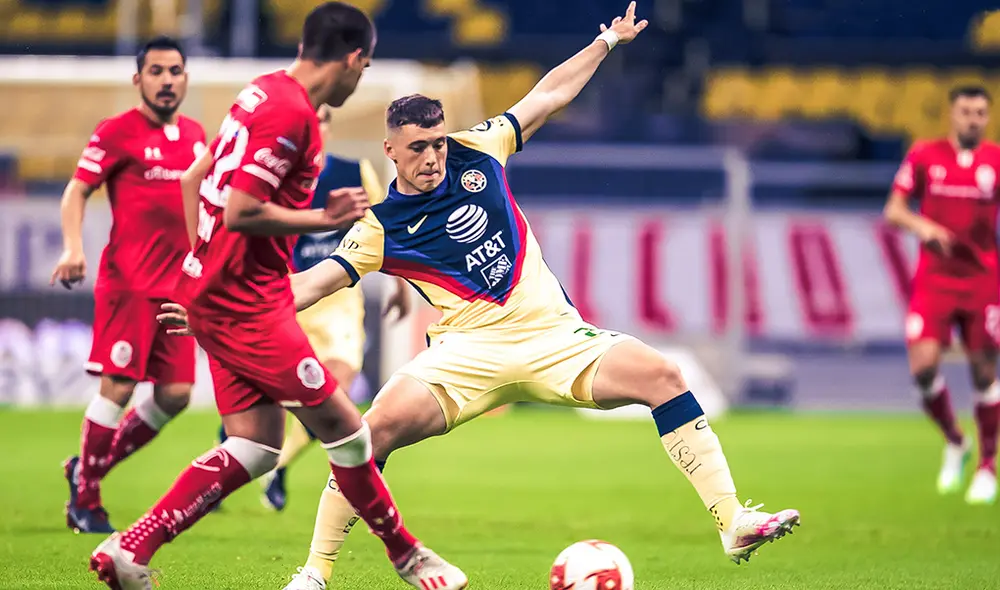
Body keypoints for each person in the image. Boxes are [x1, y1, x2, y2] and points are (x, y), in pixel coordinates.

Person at [163, 5, 799, 589]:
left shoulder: (480, 148)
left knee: (663, 373)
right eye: (418, 148)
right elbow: (310, 283)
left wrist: (605, 41)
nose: (434, 157)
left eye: (439, 143)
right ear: (390, 151)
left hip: (554, 338)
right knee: (367, 432)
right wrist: (223, 308)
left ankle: (732, 522)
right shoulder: (379, 227)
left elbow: (546, 95)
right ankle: (315, 572)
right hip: (465, 355)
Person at [89, 4, 466, 590]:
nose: (359, 79)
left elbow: (196, 181)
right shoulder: (293, 116)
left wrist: (199, 269)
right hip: (250, 304)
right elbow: (240, 212)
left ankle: (132, 547)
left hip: (217, 297)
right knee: (350, 431)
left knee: (257, 445)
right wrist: (322, 216)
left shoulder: (258, 94)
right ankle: (409, 557)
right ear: (351, 59)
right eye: (362, 68)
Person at [217, 105, 412, 513]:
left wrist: (399, 282)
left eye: (321, 119)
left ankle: (279, 467)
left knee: (335, 393)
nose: (314, 126)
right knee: (275, 399)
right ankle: (232, 456)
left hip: (339, 304)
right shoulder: (268, 180)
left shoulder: (353, 171)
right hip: (286, 300)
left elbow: (384, 225)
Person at [52, 35, 205, 534]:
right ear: (138, 79)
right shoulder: (117, 132)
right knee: (117, 388)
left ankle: (85, 471)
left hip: (177, 291)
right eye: (156, 71)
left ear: (185, 77)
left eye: (175, 71)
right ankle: (86, 501)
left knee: (177, 394)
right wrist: (73, 246)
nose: (167, 80)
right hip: (130, 284)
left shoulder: (199, 136)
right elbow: (77, 190)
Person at [883, 85, 1000, 505]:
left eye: (981, 112)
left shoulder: (995, 161)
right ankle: (956, 439)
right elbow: (894, 209)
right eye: (966, 111)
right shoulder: (924, 155)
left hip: (983, 281)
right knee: (924, 368)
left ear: (987, 117)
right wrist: (924, 227)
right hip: (934, 280)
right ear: (952, 114)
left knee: (984, 374)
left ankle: (987, 466)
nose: (973, 119)